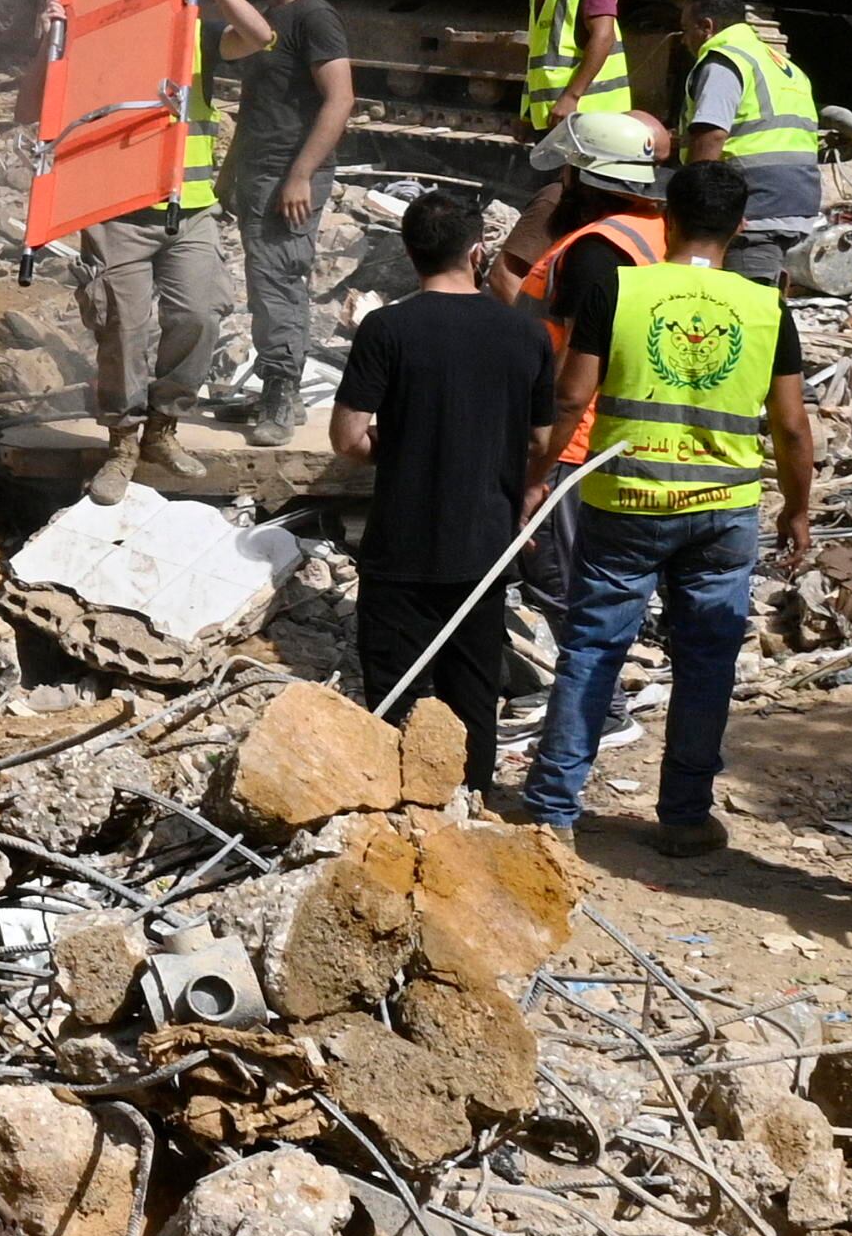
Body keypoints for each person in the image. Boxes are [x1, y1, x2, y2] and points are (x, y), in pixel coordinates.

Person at [514, 161, 816, 846]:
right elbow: (793, 427)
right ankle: (683, 816)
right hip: (724, 512)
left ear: (668, 219)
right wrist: (798, 508)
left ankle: (553, 809)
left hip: (626, 502)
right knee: (706, 664)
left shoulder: (621, 291)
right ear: (740, 228)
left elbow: (570, 397)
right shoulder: (766, 307)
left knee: (593, 649)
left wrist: (537, 475)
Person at [330, 185, 556, 805]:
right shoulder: (524, 335)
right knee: (473, 690)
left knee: (394, 691)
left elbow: (348, 438)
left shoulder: (386, 329)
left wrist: (403, 447)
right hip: (483, 549)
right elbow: (541, 438)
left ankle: (393, 805)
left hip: (400, 543)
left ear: (410, 253)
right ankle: (472, 801)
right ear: (479, 252)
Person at [493, 105, 674, 629]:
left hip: (569, 441)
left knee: (558, 578)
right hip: (617, 433)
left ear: (582, 175)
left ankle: (605, 708)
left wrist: (539, 464)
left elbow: (571, 369)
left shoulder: (597, 249)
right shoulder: (651, 231)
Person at [80, 0, 238, 501]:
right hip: (118, 212)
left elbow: (259, 37)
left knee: (199, 314)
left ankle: (162, 428)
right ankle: (122, 442)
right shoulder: (97, 35)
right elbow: (39, 103)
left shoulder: (201, 36)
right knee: (123, 328)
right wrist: (51, 37)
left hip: (189, 210)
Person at [207, 0, 352, 441]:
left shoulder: (315, 18)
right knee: (264, 280)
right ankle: (276, 388)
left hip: (289, 175)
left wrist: (301, 175)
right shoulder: (269, 16)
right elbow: (256, 104)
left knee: (278, 283)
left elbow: (340, 100)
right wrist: (230, 173)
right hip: (258, 171)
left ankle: (280, 394)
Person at [679, 0, 823, 282]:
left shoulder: (723, 60)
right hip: (797, 203)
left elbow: (712, 133)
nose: (684, 40)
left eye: (686, 29)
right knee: (762, 304)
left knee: (740, 306)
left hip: (754, 207)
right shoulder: (780, 64)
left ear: (707, 27)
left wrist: (695, 209)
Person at [515, 0, 632, 160]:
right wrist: (527, 114)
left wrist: (571, 97)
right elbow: (540, 59)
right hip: (559, 118)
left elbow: (604, 36)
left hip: (588, 117)